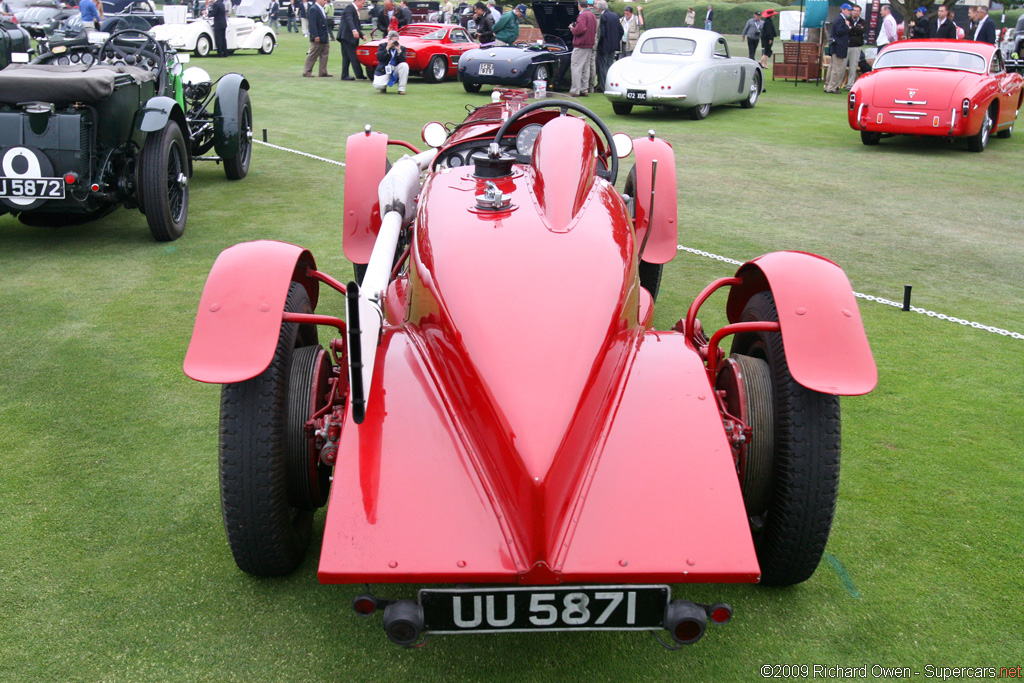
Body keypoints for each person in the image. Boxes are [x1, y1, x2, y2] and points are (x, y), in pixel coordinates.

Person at [568, 0, 595, 96]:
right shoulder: (592, 15)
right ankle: (584, 89)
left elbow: (581, 29)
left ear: (579, 6)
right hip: (590, 44)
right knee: (585, 67)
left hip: (581, 44)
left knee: (576, 66)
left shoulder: (583, 15)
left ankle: (575, 90)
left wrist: (572, 28)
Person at [824, 3, 852, 94]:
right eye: (848, 10)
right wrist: (847, 27)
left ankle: (827, 85)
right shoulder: (840, 20)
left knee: (832, 68)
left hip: (836, 46)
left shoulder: (839, 19)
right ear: (843, 10)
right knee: (837, 69)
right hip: (839, 47)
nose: (850, 12)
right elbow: (839, 31)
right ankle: (832, 87)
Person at [596, 0, 621, 91]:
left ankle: (603, 87)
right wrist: (616, 40)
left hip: (604, 46)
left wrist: (599, 43)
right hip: (613, 45)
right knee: (610, 66)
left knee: (602, 67)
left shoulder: (603, 16)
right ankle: (611, 86)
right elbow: (620, 30)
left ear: (598, 8)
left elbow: (602, 33)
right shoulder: (615, 15)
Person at [339, 0, 367, 80]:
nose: (363, 5)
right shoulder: (349, 8)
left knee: (346, 56)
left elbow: (355, 24)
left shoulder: (353, 10)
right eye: (362, 3)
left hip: (346, 36)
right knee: (353, 55)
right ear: (357, 1)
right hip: (347, 36)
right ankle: (359, 74)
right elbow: (349, 20)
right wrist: (354, 30)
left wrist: (361, 34)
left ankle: (344, 75)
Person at [303, 0, 331, 76]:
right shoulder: (313, 9)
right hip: (318, 35)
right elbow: (312, 24)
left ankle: (323, 72)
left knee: (325, 54)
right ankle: (307, 71)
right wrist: (315, 35)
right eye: (324, 0)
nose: (326, 2)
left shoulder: (322, 8)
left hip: (324, 35)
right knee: (313, 54)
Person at [845, 4, 865, 89]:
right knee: (842, 66)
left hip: (856, 46)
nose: (855, 12)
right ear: (852, 11)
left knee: (853, 67)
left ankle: (850, 85)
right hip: (846, 45)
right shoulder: (847, 19)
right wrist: (855, 30)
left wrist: (852, 28)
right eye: (854, 10)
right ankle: (837, 84)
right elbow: (846, 31)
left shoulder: (862, 21)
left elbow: (862, 31)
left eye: (857, 11)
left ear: (860, 12)